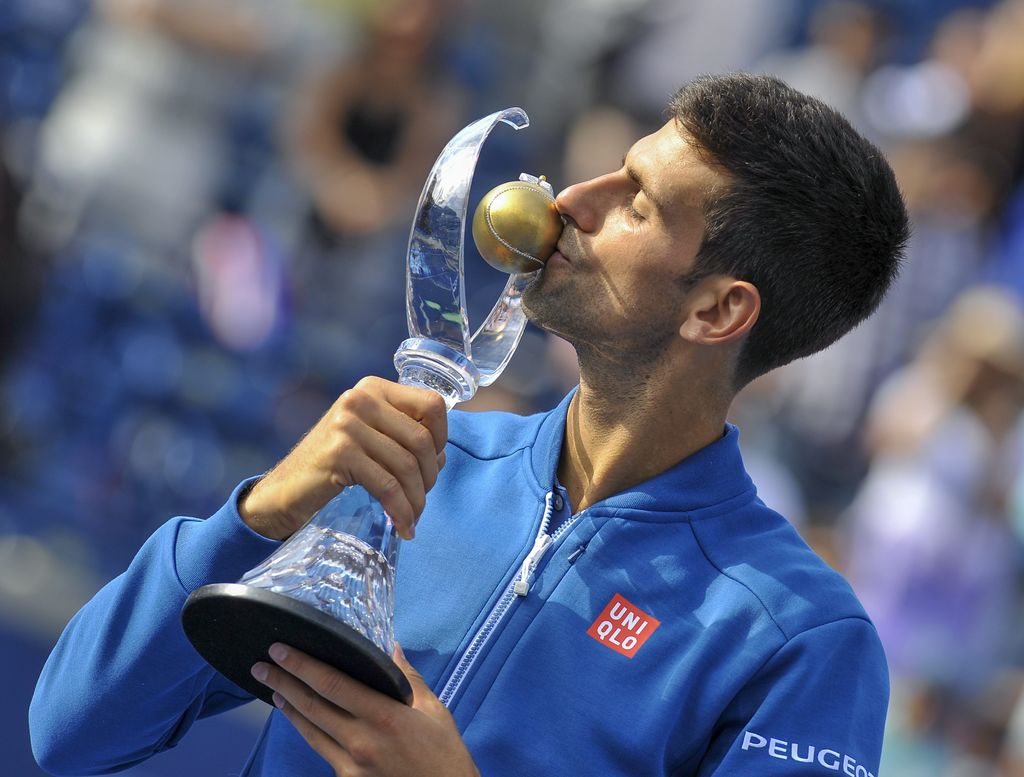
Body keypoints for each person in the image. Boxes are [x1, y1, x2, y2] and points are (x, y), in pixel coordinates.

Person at [29, 73, 909, 777]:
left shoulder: (797, 640)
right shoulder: (421, 465)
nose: (575, 198)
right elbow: (73, 730)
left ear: (718, 311)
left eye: (637, 203)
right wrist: (257, 516)